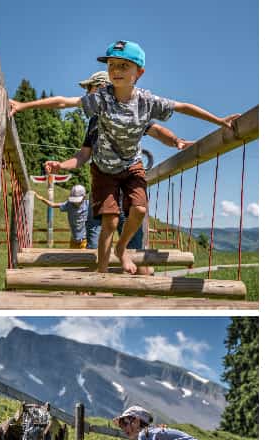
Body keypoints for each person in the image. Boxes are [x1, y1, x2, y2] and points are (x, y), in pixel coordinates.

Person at [14, 40, 236, 274]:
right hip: (104, 170)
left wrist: (216, 123)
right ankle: (102, 273)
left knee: (139, 210)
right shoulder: (100, 103)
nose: (116, 70)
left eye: (123, 65)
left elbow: (176, 111)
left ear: (138, 73)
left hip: (131, 166)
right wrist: (24, 106)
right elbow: (65, 104)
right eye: (112, 65)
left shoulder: (145, 102)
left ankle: (122, 249)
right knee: (109, 221)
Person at [35, 184, 91, 248]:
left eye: (77, 200)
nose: (75, 202)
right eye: (74, 200)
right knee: (72, 257)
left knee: (83, 257)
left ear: (84, 197)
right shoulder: (69, 204)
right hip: (73, 239)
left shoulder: (88, 205)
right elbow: (53, 205)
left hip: (85, 240)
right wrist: (42, 199)